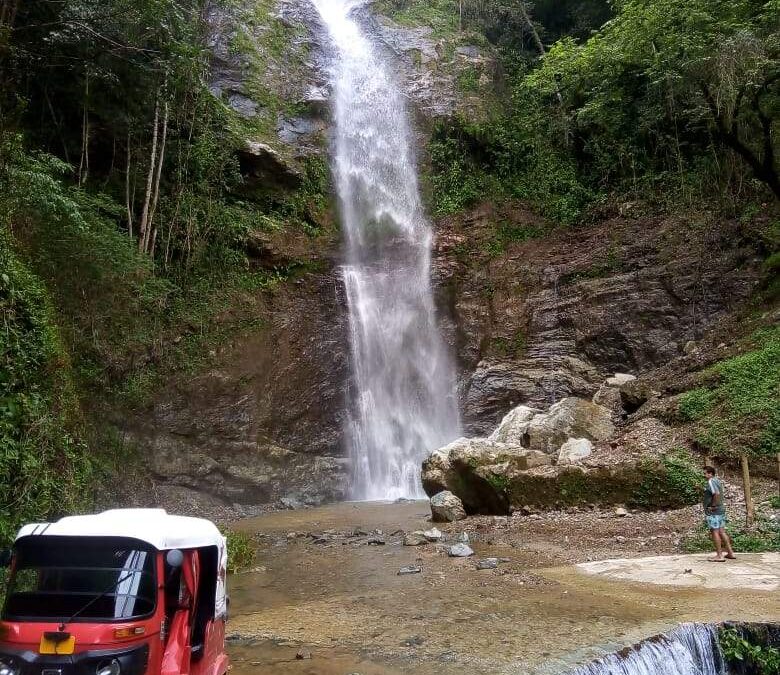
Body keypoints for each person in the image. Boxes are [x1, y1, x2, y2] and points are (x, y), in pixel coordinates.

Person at [702, 465, 735, 562]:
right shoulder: (717, 480)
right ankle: (730, 553)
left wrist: (713, 506)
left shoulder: (711, 481)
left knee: (714, 532)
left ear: (710, 474)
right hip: (721, 509)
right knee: (722, 531)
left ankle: (719, 556)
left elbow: (716, 493)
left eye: (705, 473)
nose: (704, 475)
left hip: (715, 511)